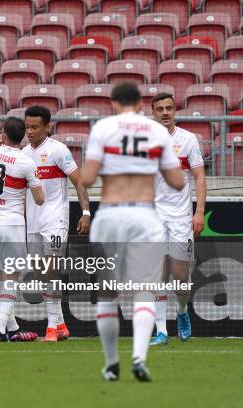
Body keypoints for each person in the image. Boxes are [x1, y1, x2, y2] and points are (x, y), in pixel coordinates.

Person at [80, 82, 184, 382]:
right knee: (145, 290)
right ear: (141, 104)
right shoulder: (157, 132)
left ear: (113, 103)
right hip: (144, 215)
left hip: (110, 216)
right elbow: (177, 181)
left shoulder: (103, 128)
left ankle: (112, 363)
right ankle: (139, 357)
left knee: (107, 294)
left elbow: (86, 178)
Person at [22, 105, 91, 342]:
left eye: (34, 127)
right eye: (27, 126)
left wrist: (86, 212)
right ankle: (61, 324)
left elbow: (79, 182)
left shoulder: (58, 150)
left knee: (51, 270)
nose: (29, 131)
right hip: (32, 222)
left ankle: (51, 327)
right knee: (40, 274)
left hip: (55, 220)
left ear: (47, 127)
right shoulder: (23, 154)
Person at [150, 93, 206, 345]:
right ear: (153, 113)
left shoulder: (188, 139)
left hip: (181, 217)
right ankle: (161, 331)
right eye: (160, 108)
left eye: (169, 108)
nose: (165, 112)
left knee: (181, 279)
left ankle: (182, 312)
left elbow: (199, 178)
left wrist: (199, 211)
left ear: (175, 111)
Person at [0, 117, 44, 341]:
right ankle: (0, 330)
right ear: (23, 137)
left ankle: (11, 326)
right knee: (10, 279)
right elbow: (39, 199)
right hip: (12, 224)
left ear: (3, 135)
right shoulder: (26, 162)